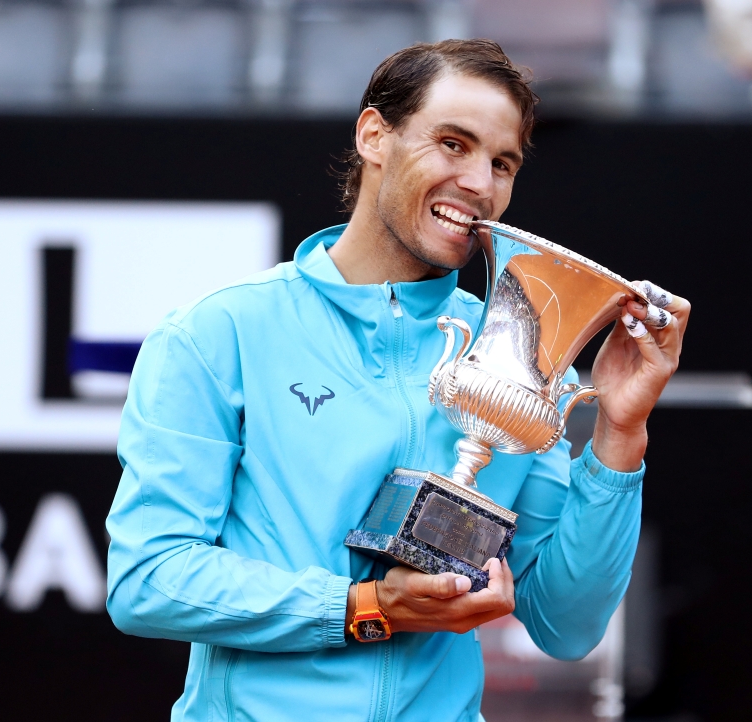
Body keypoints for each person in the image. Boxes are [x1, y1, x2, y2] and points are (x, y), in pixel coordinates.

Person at [106, 39, 690, 721]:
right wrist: (367, 609)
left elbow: (567, 625)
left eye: (501, 162)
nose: (479, 184)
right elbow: (148, 580)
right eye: (452, 143)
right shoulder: (219, 333)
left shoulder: (528, 360)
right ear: (374, 135)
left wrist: (621, 432)